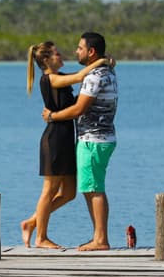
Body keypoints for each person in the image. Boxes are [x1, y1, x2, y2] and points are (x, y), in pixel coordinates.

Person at [21, 41, 111, 249]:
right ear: (46, 60)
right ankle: (40, 237)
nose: (62, 57)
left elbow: (79, 92)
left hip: (66, 138)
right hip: (53, 140)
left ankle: (32, 221)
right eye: (57, 54)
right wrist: (102, 62)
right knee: (49, 189)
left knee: (69, 192)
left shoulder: (60, 78)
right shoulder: (50, 79)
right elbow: (81, 77)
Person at [41, 32, 117, 251]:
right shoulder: (107, 71)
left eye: (80, 48)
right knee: (91, 187)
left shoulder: (94, 76)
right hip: (101, 137)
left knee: (94, 189)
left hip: (93, 139)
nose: (76, 51)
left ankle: (100, 239)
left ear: (91, 52)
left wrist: (52, 116)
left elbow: (79, 109)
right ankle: (98, 237)